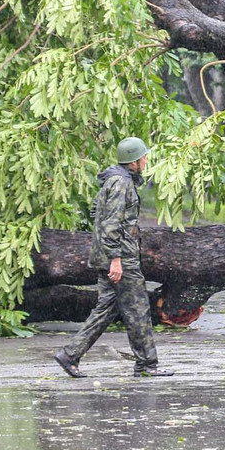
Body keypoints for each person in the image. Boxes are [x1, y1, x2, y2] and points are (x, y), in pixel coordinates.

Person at [55, 136, 173, 378]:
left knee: (106, 309)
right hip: (121, 259)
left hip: (109, 256)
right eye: (144, 157)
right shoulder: (121, 184)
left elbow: (95, 212)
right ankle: (147, 365)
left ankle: (70, 355)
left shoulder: (113, 181)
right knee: (139, 309)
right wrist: (116, 259)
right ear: (134, 161)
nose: (146, 160)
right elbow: (110, 224)